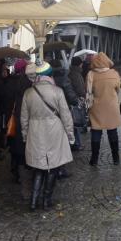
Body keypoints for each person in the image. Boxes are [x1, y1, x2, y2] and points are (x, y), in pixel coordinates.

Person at [21, 62, 74, 211]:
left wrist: (25, 136)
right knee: (53, 167)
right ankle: (46, 200)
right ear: (50, 75)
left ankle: (33, 202)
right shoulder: (57, 91)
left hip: (35, 132)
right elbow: (66, 116)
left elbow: (23, 119)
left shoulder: (28, 93)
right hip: (54, 132)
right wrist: (70, 135)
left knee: (39, 167)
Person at [86, 52, 121, 166]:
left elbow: (87, 91)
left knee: (96, 131)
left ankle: (94, 159)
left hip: (97, 106)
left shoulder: (91, 74)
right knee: (112, 131)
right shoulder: (114, 73)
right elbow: (118, 89)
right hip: (112, 106)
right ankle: (116, 158)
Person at [3, 59, 32, 183]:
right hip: (24, 117)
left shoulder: (10, 82)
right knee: (24, 144)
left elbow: (6, 101)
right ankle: (24, 170)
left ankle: (15, 170)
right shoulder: (28, 83)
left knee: (14, 144)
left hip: (12, 117)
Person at [68, 56, 86, 150]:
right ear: (79, 64)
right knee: (77, 123)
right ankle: (77, 144)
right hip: (77, 101)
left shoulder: (71, 72)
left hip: (74, 100)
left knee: (75, 123)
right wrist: (84, 96)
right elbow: (80, 89)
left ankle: (76, 143)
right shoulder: (76, 74)